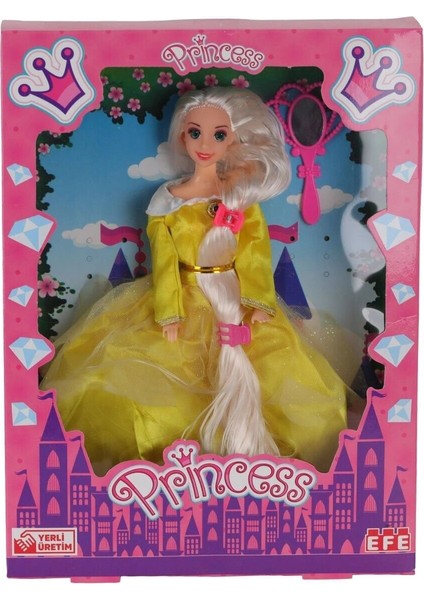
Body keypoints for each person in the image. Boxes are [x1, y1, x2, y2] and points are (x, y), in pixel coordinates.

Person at [41, 87, 347, 476]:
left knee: (273, 377)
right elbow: (164, 261)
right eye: (195, 133)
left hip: (232, 300)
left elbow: (254, 254)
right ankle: (177, 467)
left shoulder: (240, 198)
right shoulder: (167, 200)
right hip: (183, 295)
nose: (205, 145)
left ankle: (247, 456)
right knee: (157, 381)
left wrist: (258, 302)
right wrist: (169, 311)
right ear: (182, 136)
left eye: (219, 135)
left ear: (233, 139)